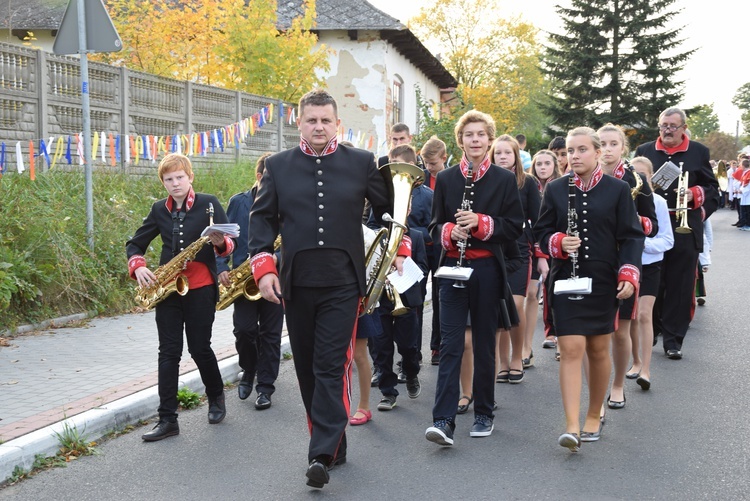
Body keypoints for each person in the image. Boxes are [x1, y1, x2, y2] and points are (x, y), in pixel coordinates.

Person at [247, 89, 409, 489]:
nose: (318, 126)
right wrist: (264, 268)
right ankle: (334, 443)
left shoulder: (360, 162)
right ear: (299, 123)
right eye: (311, 120)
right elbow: (261, 220)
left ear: (336, 123)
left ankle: (319, 452)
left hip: (344, 282)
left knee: (329, 365)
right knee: (305, 368)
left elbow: (391, 211)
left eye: (325, 120)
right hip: (296, 283)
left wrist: (399, 248)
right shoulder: (278, 166)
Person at [534, 127, 643, 452]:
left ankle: (594, 414)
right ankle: (571, 425)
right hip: (565, 280)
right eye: (570, 151)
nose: (575, 156)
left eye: (582, 150)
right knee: (570, 349)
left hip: (604, 282)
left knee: (597, 350)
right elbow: (540, 233)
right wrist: (556, 242)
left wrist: (629, 273)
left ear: (597, 153)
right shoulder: (554, 189)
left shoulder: (617, 189)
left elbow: (632, 236)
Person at [426, 110, 524, 446]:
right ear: (460, 140)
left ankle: (484, 412)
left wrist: (482, 224)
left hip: (485, 269)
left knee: (483, 344)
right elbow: (434, 225)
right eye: (469, 135)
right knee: (451, 344)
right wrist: (450, 232)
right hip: (452, 267)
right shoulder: (449, 178)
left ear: (490, 138)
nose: (476, 140)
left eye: (481, 134)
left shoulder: (503, 179)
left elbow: (513, 227)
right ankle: (443, 420)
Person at [126, 153, 235, 442]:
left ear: (190, 177)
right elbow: (135, 244)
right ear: (163, 182)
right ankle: (167, 419)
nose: (175, 183)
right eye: (168, 179)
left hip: (200, 285)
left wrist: (220, 242)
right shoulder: (158, 209)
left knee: (199, 348)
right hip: (168, 288)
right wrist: (138, 266)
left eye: (179, 177)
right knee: (168, 352)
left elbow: (229, 246)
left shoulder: (209, 203)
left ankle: (216, 397)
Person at [634, 107, 720, 359]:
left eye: (673, 125)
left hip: (684, 225)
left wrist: (696, 194)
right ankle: (654, 329)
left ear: (683, 127)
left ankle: (673, 339)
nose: (668, 130)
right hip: (654, 224)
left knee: (681, 284)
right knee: (654, 280)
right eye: (664, 125)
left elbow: (712, 189)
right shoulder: (645, 151)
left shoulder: (699, 151)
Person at [216, 153, 283, 410]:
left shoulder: (285, 203)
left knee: (271, 334)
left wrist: (276, 259)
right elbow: (221, 237)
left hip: (275, 278)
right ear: (259, 177)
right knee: (244, 330)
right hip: (243, 278)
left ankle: (265, 387)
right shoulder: (238, 202)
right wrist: (222, 265)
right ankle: (249, 368)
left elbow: (291, 240)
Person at [597, 123, 657, 409]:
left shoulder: (637, 180)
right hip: (592, 259)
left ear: (623, 148)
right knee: (594, 333)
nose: (607, 150)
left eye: (613, 144)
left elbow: (653, 225)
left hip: (624, 260)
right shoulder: (583, 176)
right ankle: (595, 391)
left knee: (621, 330)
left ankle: (617, 385)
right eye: (602, 144)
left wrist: (632, 221)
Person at [371, 144, 428, 410]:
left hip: (405, 294)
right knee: (381, 346)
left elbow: (424, 270)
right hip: (379, 292)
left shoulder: (415, 236)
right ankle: (388, 391)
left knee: (407, 345)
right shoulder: (374, 224)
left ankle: (412, 371)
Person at [490, 135, 541, 383]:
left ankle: (517, 358)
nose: (502, 157)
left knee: (516, 305)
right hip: (492, 249)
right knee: (499, 307)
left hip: (520, 249)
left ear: (516, 157)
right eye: (498, 153)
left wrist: (540, 254)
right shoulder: (485, 181)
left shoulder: (527, 183)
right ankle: (502, 362)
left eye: (507, 153)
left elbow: (539, 220)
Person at [628, 156, 674, 391]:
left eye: (643, 175)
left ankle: (645, 368)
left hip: (651, 264)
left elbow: (667, 239)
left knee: (645, 314)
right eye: (634, 175)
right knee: (632, 317)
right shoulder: (621, 198)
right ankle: (635, 360)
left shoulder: (658, 202)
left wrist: (643, 244)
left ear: (651, 178)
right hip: (627, 265)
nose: (639, 180)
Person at [420, 136, 449, 365]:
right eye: (426, 163)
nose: (429, 168)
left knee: (440, 298)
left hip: (441, 247)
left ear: (444, 158)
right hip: (422, 247)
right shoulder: (420, 178)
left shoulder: (452, 178)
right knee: (417, 300)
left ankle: (437, 346)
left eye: (433, 163)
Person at [531, 150, 561, 353]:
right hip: (535, 242)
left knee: (556, 287)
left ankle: (561, 332)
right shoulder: (529, 185)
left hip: (557, 243)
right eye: (539, 164)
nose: (542, 167)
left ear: (554, 165)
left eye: (547, 163)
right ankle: (550, 331)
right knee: (543, 290)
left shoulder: (560, 186)